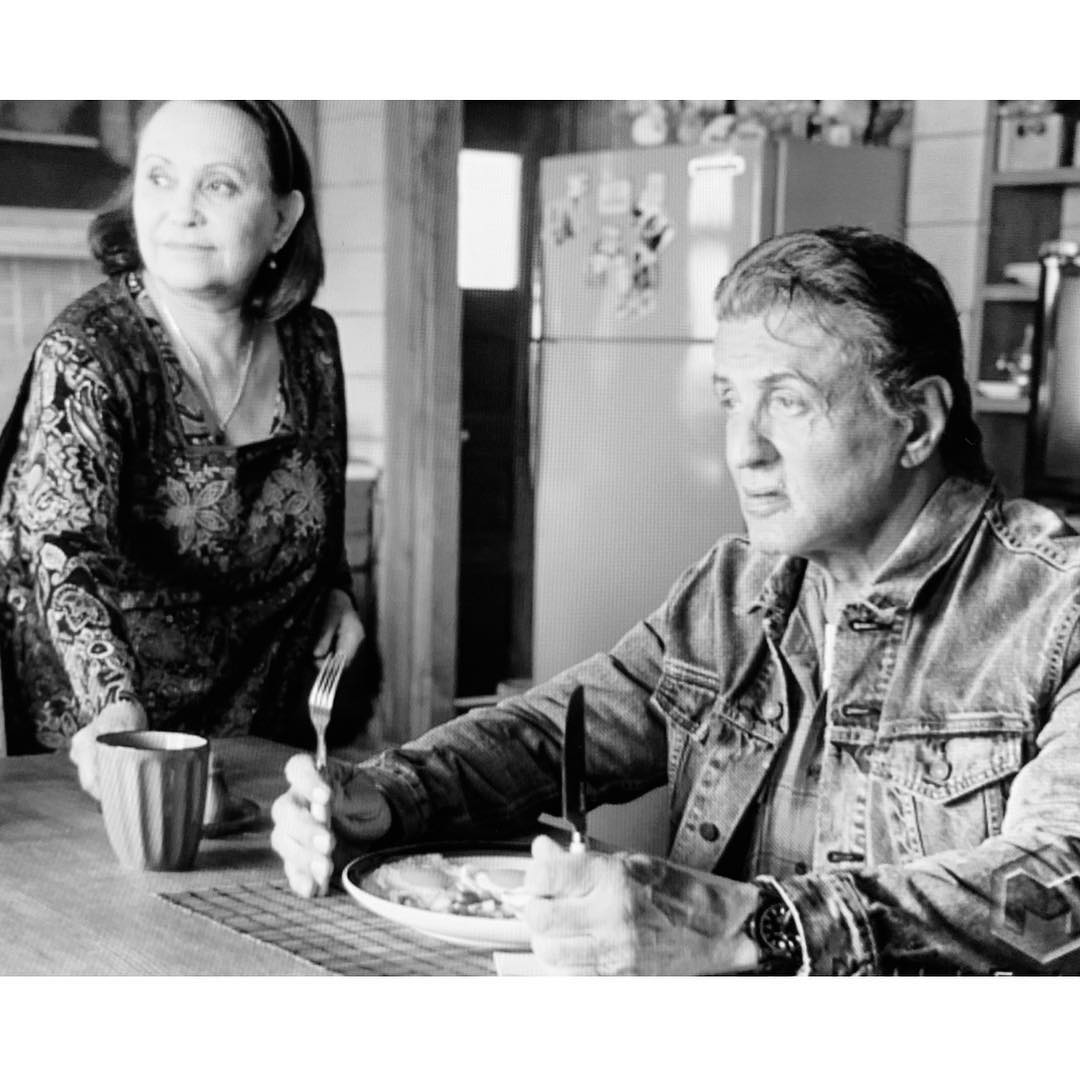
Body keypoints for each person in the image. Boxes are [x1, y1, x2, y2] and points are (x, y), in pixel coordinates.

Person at [272, 226, 1080, 975]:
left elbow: (1059, 882)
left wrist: (750, 925)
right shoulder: (733, 589)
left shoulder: (1059, 608)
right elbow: (547, 733)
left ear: (918, 423)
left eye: (788, 401)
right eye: (730, 399)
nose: (742, 451)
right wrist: (385, 796)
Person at [0, 100, 365, 796]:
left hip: (259, 740)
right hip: (110, 748)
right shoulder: (89, 352)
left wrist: (335, 589)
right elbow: (63, 548)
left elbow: (322, 502)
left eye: (218, 184)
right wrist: (114, 707)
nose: (181, 211)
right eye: (160, 178)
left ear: (283, 218)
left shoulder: (313, 343)